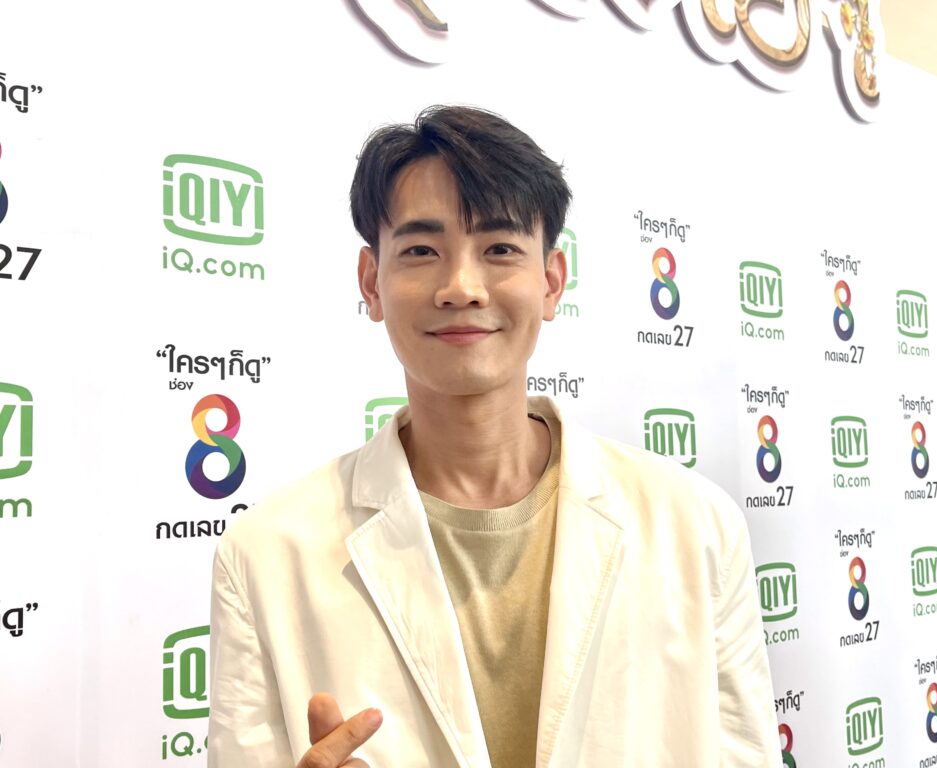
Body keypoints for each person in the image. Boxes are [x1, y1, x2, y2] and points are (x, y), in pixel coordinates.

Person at [208, 105, 777, 768]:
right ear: (371, 282)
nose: (462, 287)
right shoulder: (265, 554)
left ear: (551, 282)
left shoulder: (695, 525)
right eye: (421, 251)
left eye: (500, 249)